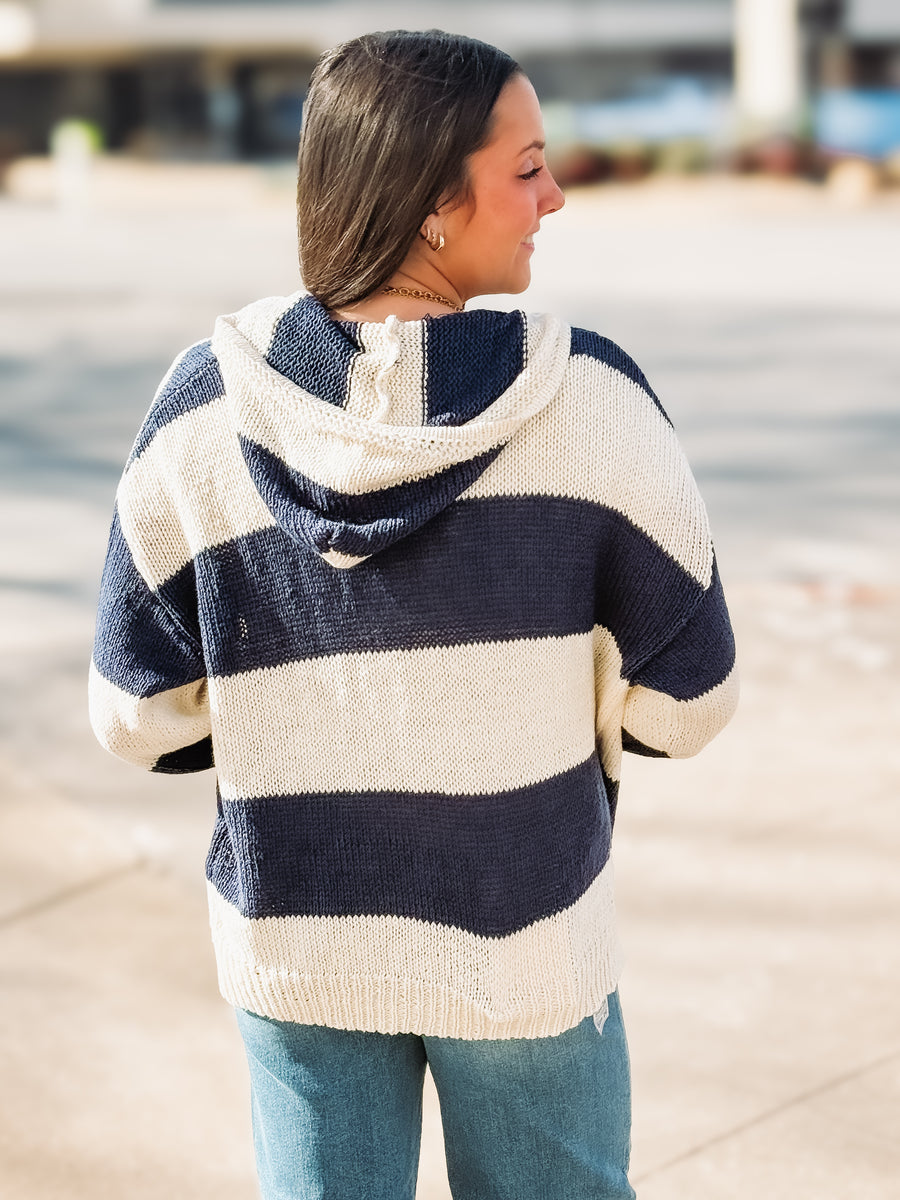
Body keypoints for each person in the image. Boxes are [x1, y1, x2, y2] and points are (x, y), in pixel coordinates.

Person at [89, 28, 738, 1200]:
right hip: (529, 938)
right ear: (436, 203)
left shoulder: (198, 410)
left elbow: (139, 714)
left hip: (298, 941)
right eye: (528, 166)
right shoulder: (592, 402)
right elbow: (691, 702)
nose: (556, 195)